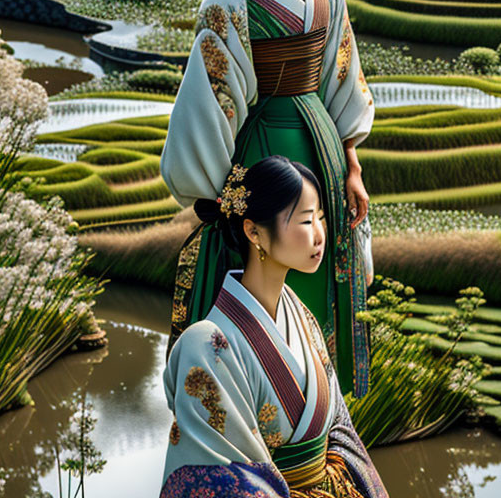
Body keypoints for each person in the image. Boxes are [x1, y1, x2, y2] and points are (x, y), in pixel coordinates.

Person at [160, 0, 382, 397]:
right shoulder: (227, 5)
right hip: (264, 160)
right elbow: (212, 109)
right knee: (264, 281)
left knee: (321, 275)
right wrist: (221, 197)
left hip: (326, 158)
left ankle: (319, 424)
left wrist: (352, 164)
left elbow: (342, 75)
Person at [160, 156, 389, 498]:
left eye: (321, 219)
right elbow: (214, 479)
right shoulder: (205, 346)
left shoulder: (300, 314)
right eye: (306, 221)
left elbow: (340, 428)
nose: (319, 235)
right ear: (254, 231)